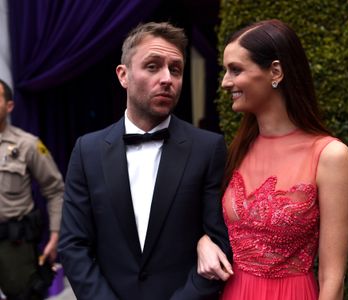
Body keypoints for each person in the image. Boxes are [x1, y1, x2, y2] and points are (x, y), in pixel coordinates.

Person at [58, 22, 232, 300]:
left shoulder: (208, 149)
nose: (167, 78)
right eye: (152, 66)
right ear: (123, 75)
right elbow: (72, 245)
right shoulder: (87, 150)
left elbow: (221, 242)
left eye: (175, 69)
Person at [197, 19, 348, 299]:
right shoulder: (236, 149)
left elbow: (333, 278)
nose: (225, 82)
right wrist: (203, 241)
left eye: (235, 70)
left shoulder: (330, 155)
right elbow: (207, 223)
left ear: (275, 71)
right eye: (225, 70)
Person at [0, 79, 64, 299]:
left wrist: (55, 236)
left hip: (14, 245)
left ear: (9, 106)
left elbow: (55, 190)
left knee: (23, 294)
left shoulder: (27, 144)